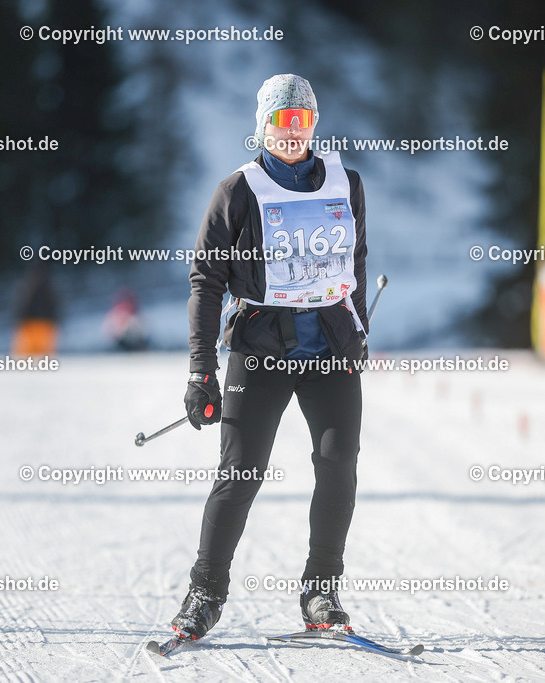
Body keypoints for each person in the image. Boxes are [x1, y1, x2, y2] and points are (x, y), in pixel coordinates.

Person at [168, 74, 370, 641]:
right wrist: (200, 371)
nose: (291, 133)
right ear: (263, 127)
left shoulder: (345, 182)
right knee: (240, 473)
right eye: (281, 123)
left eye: (302, 121)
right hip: (260, 353)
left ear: (314, 125)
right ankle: (205, 591)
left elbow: (353, 261)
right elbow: (206, 281)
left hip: (329, 352)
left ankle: (320, 588)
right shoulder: (238, 190)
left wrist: (356, 327)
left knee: (338, 465)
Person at [11, 262, 60, 355]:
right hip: (39, 325)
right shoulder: (49, 288)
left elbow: (22, 306)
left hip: (35, 326)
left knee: (27, 359)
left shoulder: (27, 287)